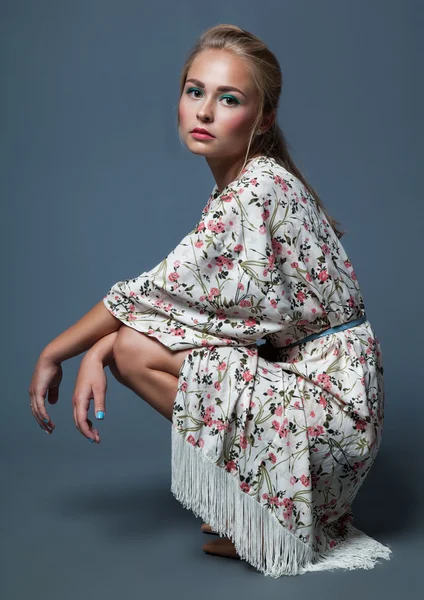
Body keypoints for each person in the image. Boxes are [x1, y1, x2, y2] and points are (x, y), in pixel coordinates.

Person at [28, 24, 392, 578]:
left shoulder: (256, 189)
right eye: (195, 91)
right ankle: (260, 503)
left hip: (331, 417)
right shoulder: (244, 183)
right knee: (130, 342)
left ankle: (269, 517)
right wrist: (103, 342)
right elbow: (201, 312)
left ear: (263, 119)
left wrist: (62, 350)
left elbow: (156, 293)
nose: (204, 111)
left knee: (132, 351)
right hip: (316, 402)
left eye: (229, 99)